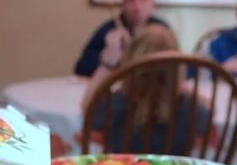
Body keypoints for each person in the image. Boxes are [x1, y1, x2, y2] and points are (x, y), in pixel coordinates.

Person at [81, 24, 209, 155]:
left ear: (130, 60)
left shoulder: (115, 104)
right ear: (178, 65)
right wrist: (179, 84)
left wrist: (106, 65)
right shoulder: (190, 108)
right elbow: (209, 111)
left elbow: (88, 109)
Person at [74, 0, 169, 77]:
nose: (138, 8)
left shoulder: (161, 29)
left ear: (152, 5)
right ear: (123, 5)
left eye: (143, 1)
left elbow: (181, 68)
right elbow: (81, 69)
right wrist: (106, 57)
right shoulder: (109, 30)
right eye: (131, 1)